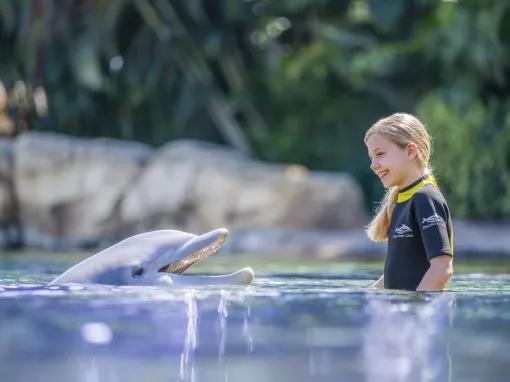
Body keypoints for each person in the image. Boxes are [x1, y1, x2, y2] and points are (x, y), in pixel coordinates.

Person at [364, 113, 453, 291]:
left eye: (380, 154)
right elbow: (399, 270)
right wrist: (368, 296)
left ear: (410, 151)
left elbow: (442, 269)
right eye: (371, 158)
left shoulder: (425, 197)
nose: (374, 164)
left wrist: (415, 311)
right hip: (401, 313)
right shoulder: (403, 199)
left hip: (419, 315)